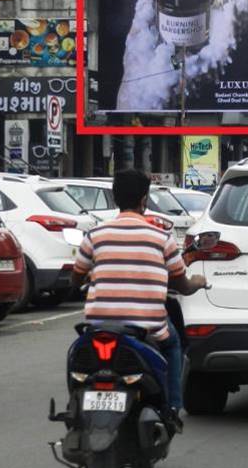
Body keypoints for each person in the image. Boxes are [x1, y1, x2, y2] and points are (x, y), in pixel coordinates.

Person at [72, 168, 207, 427]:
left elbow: (77, 275)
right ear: (144, 200)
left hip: (99, 326)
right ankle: (172, 407)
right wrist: (197, 283)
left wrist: (88, 280)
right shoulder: (161, 237)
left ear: (115, 199)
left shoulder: (95, 235)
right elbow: (182, 283)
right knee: (174, 344)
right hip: (147, 328)